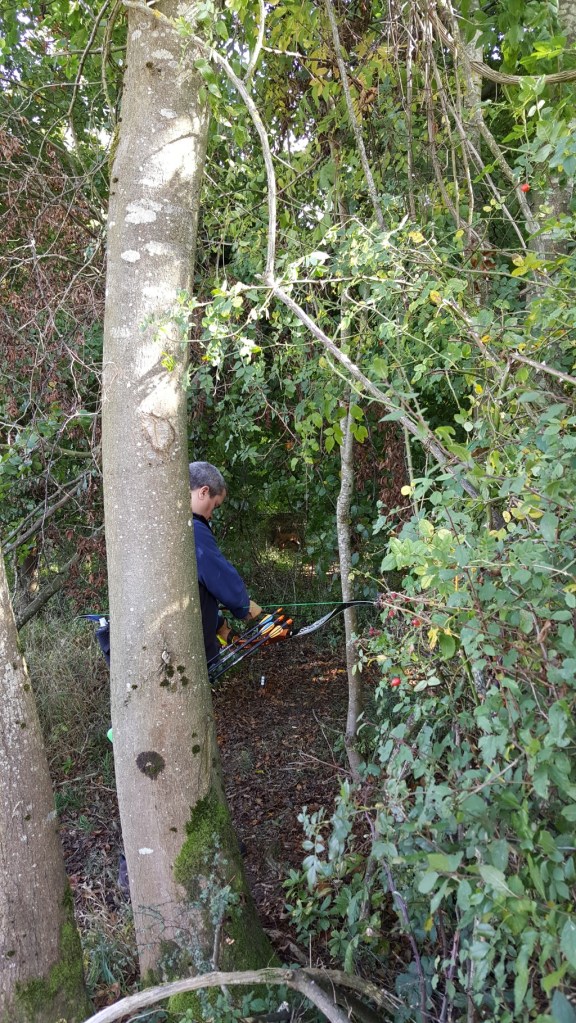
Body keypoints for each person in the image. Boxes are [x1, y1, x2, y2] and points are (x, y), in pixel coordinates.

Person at [189, 461, 261, 662]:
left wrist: (219, 624)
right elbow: (216, 573)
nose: (211, 515)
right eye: (214, 506)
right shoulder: (193, 528)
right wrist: (244, 606)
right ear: (204, 492)